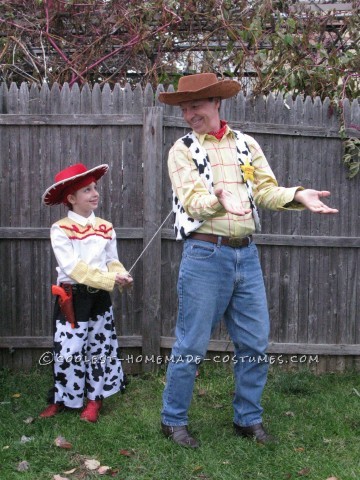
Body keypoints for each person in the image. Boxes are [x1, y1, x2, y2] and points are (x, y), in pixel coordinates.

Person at [158, 73, 338, 448]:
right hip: (205, 254)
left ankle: (247, 419)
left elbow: (267, 191)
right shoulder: (182, 150)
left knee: (254, 343)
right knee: (191, 344)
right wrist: (218, 198)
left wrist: (299, 195)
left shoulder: (246, 145)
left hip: (247, 256)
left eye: (197, 105)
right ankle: (173, 420)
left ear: (216, 103)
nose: (190, 113)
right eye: (185, 107)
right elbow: (192, 202)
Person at [39, 163, 133, 422]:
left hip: (99, 298)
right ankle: (64, 397)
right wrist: (109, 278)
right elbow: (73, 268)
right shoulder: (60, 229)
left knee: (99, 349)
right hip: (72, 298)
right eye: (86, 190)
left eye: (95, 188)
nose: (95, 193)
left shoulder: (106, 227)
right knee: (69, 350)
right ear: (71, 198)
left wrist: (121, 274)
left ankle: (94, 400)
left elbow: (111, 261)